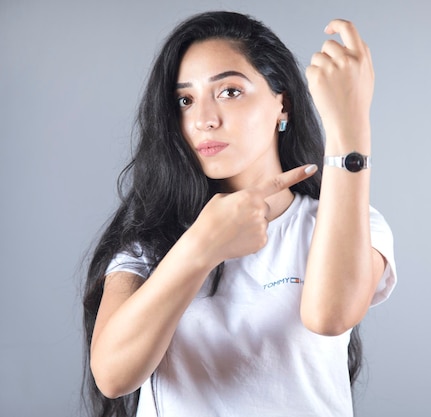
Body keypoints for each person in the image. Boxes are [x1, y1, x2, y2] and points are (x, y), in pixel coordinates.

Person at [82, 10, 396, 417]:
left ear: (282, 103)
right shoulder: (150, 242)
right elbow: (112, 375)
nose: (204, 120)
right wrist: (201, 246)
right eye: (185, 100)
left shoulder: (349, 222)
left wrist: (350, 128)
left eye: (229, 91)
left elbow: (329, 315)